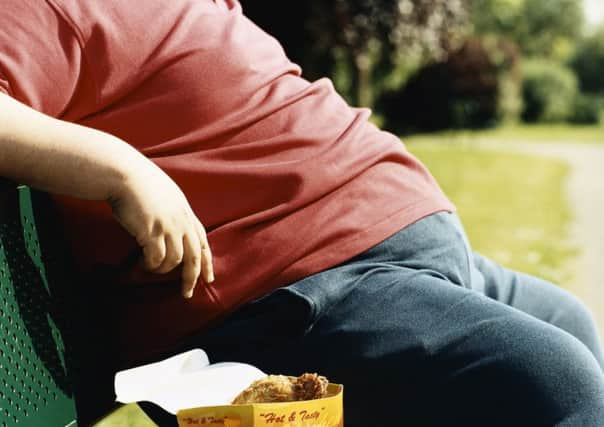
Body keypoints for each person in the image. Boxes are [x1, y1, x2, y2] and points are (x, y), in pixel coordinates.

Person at [1, 0, 603, 425]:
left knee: (567, 319)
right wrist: (119, 167)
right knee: (553, 383)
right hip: (296, 297)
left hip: (391, 257)